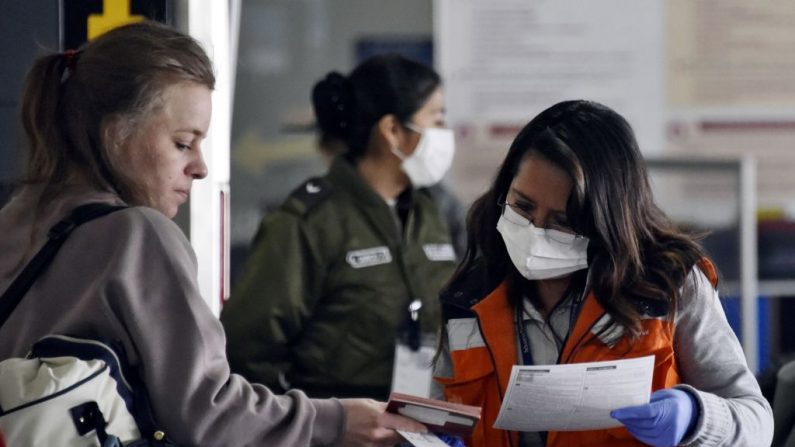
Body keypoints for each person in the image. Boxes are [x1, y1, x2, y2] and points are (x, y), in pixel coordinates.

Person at [0, 21, 427, 446]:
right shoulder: (138, 236)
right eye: (184, 143)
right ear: (115, 134)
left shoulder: (16, 220)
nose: (200, 168)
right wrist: (336, 420)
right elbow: (210, 414)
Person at [431, 100, 774, 447]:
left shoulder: (668, 288)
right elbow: (442, 414)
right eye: (523, 206)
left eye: (563, 221)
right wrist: (432, 435)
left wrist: (694, 416)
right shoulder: (469, 296)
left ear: (606, 220)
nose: (535, 231)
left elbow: (756, 422)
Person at [221, 54, 458, 400]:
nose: (445, 133)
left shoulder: (431, 212)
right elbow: (249, 349)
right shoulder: (308, 222)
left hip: (423, 423)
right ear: (392, 130)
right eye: (436, 119)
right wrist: (310, 422)